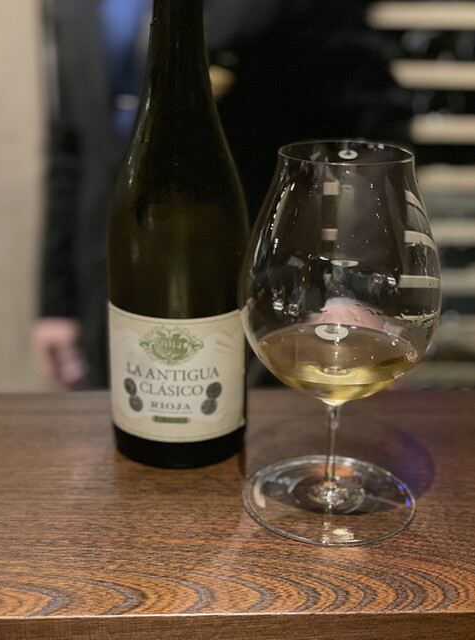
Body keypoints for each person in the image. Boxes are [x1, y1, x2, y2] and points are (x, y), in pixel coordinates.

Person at [32, 0, 412, 390]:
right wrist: (57, 304)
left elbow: (371, 131)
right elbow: (71, 148)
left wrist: (354, 292)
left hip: (260, 298)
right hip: (106, 293)